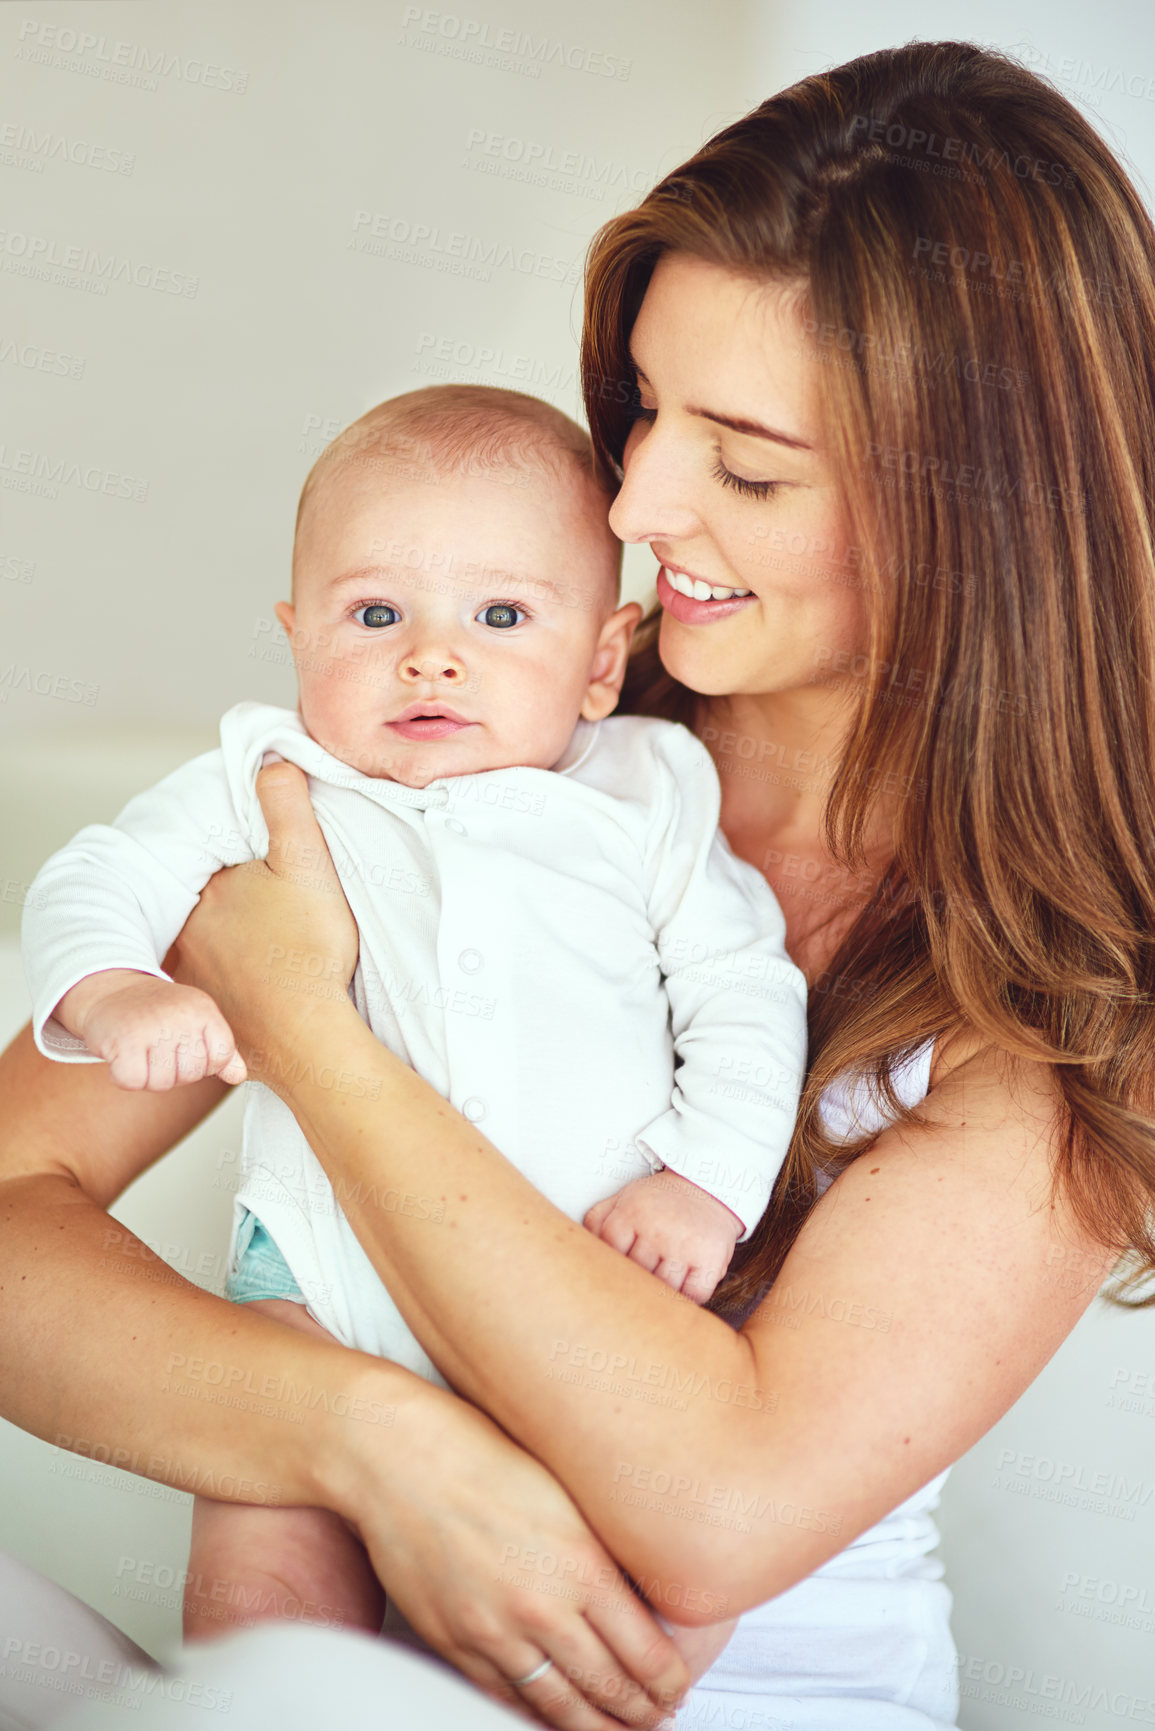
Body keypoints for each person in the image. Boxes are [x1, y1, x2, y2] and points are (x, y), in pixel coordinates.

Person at [2, 37, 1152, 1730]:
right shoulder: (481, 729)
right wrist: (363, 1438)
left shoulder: (1066, 991)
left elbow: (717, 1507)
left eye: (748, 466)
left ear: (977, 514)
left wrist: (298, 1021)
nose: (634, 499)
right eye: (641, 408)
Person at [19, 382, 805, 1654]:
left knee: (625, 1607)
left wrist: (703, 1185)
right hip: (314, 1287)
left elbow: (742, 991)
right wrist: (112, 987)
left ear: (604, 660)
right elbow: (98, 875)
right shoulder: (274, 774)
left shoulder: (648, 795)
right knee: (260, 1590)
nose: (430, 657)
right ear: (294, 637)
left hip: (585, 1281)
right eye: (374, 613)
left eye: (500, 616)